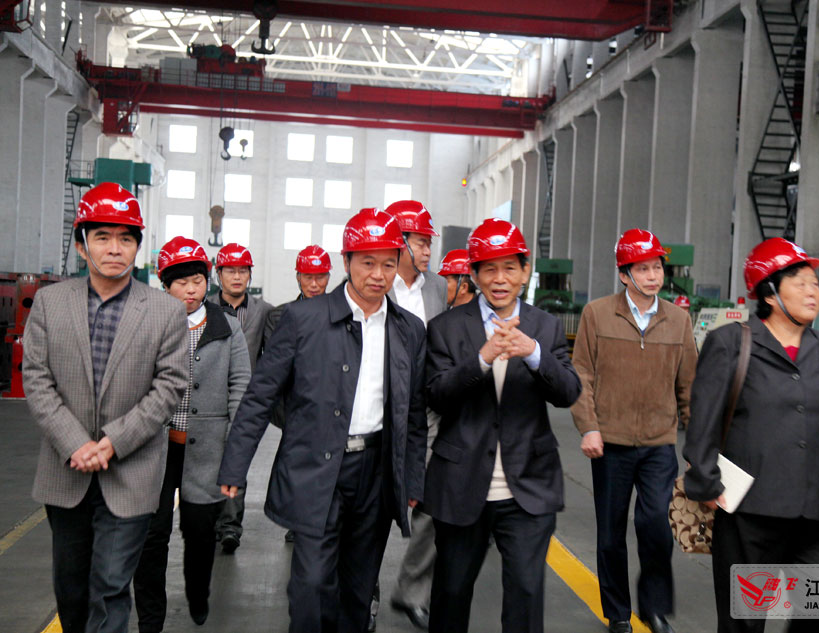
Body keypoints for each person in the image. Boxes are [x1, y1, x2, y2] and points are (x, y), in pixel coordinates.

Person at [217, 208, 428, 633]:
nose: (378, 275)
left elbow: (415, 413)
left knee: (359, 589)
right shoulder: (302, 320)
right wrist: (235, 466)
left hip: (376, 472)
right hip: (316, 469)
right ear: (346, 261)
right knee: (311, 585)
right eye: (367, 262)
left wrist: (412, 481)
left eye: (389, 264)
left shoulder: (409, 330)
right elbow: (260, 395)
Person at [683, 237, 819, 633]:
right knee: (744, 621)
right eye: (800, 283)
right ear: (770, 293)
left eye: (815, 283)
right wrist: (705, 483)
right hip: (748, 510)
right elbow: (703, 422)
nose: (813, 292)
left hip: (813, 507)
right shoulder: (731, 343)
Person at [22, 183, 189, 633]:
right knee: (71, 590)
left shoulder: (165, 311)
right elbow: (36, 378)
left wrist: (113, 442)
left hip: (131, 473)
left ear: (137, 246)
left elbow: (169, 385)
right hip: (67, 472)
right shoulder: (50, 303)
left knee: (111, 588)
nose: (115, 249)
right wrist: (75, 443)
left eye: (125, 238)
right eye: (102, 237)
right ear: (82, 245)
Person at [425, 218, 582, 633]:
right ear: (474, 275)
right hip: (461, 484)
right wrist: (482, 358)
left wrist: (533, 352)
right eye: (489, 269)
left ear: (525, 272)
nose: (500, 279)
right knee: (451, 593)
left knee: (526, 595)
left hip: (528, 486)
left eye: (510, 268)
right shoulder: (445, 327)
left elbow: (568, 392)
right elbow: (436, 394)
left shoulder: (545, 327)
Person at [570, 228, 697, 633]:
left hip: (659, 443)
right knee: (610, 534)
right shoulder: (597, 314)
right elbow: (582, 374)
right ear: (624, 274)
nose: (653, 276)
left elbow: (689, 385)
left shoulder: (678, 320)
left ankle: (654, 607)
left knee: (657, 525)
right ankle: (618, 613)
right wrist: (589, 427)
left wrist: (697, 447)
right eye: (642, 269)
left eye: (657, 267)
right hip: (610, 443)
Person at [133, 237, 251, 631]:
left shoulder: (227, 327)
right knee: (152, 535)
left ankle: (198, 594)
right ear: (165, 285)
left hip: (207, 450)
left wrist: (234, 444)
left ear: (207, 282)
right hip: (155, 448)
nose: (190, 290)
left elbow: (240, 385)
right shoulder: (148, 324)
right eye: (181, 283)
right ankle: (151, 618)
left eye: (197, 281)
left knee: (200, 532)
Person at [381, 200, 447, 631]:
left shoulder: (438, 288)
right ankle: (363, 594)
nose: (427, 250)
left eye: (428, 243)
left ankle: (411, 591)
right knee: (370, 508)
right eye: (421, 242)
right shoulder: (375, 281)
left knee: (432, 504)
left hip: (428, 412)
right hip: (380, 411)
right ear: (399, 242)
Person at [263, 243, 332, 544]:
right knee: (295, 466)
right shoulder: (280, 316)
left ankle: (322, 519)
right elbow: (274, 369)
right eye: (307, 277)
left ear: (329, 276)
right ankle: (297, 520)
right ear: (298, 277)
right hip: (295, 407)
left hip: (330, 404)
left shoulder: (340, 314)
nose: (314, 284)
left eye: (320, 277)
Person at [213, 241, 274, 553]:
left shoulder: (263, 312)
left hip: (245, 401)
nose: (236, 276)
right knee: (207, 463)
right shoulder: (205, 307)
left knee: (236, 460)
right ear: (219, 274)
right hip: (208, 399)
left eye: (242, 271)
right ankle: (210, 521)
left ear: (250, 274)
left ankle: (230, 527)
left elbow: (273, 356)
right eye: (230, 271)